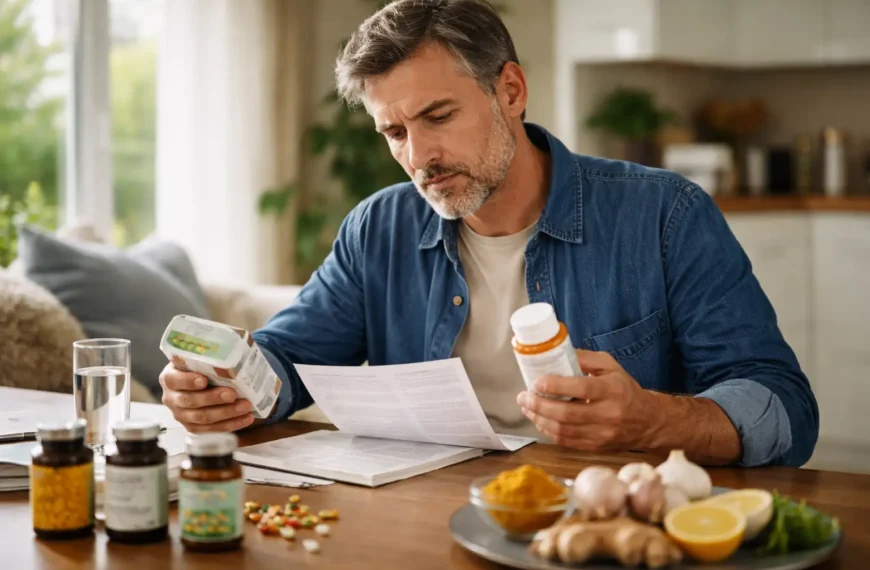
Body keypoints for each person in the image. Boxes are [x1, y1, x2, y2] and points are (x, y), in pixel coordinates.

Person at [159, 0, 818, 467]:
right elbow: (287, 361)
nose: (419, 155)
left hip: (606, 520)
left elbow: (783, 406)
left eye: (438, 116)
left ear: (510, 89)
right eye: (394, 131)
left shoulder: (664, 214)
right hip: (428, 521)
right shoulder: (377, 227)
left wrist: (652, 418)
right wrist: (228, 386)